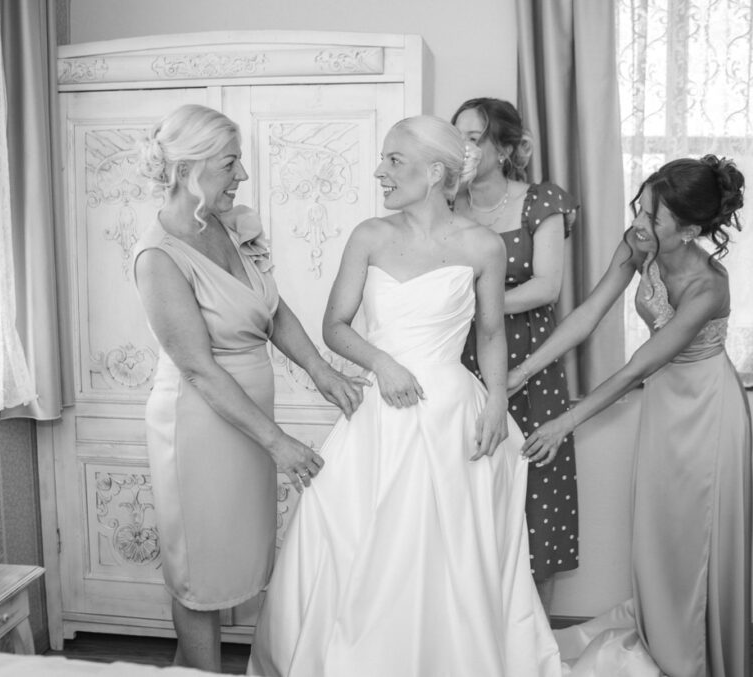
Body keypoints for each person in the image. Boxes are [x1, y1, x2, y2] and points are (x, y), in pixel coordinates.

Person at [247, 115, 562, 677]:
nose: (380, 171)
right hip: (381, 411)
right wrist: (381, 362)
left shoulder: (483, 246)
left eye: (393, 160)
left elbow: (490, 332)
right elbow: (335, 325)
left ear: (435, 172)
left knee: (447, 547)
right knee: (353, 533)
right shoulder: (369, 236)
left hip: (452, 414)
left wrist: (496, 401)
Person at [132, 103, 368, 672]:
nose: (241, 175)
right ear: (187, 169)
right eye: (230, 164)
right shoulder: (158, 257)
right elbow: (199, 369)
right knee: (199, 572)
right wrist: (277, 441)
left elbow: (272, 308)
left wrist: (320, 369)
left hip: (248, 422)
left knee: (233, 559)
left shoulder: (230, 224)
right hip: (198, 425)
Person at [510, 155, 752, 677]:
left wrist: (564, 422)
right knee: (657, 529)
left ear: (689, 231)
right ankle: (664, 633)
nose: (639, 224)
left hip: (708, 409)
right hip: (665, 402)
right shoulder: (640, 243)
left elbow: (638, 367)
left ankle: (690, 658)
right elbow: (588, 314)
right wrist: (523, 370)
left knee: (695, 535)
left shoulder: (709, 286)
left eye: (653, 218)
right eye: (639, 208)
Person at [451, 97, 580, 612]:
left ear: (504, 149)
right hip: (461, 358)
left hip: (530, 361)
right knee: (467, 484)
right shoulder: (446, 204)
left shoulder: (541, 201)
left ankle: (533, 637)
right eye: (456, 136)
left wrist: (477, 301)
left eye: (474, 138)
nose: (463, 148)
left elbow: (547, 287)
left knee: (536, 491)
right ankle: (469, 631)